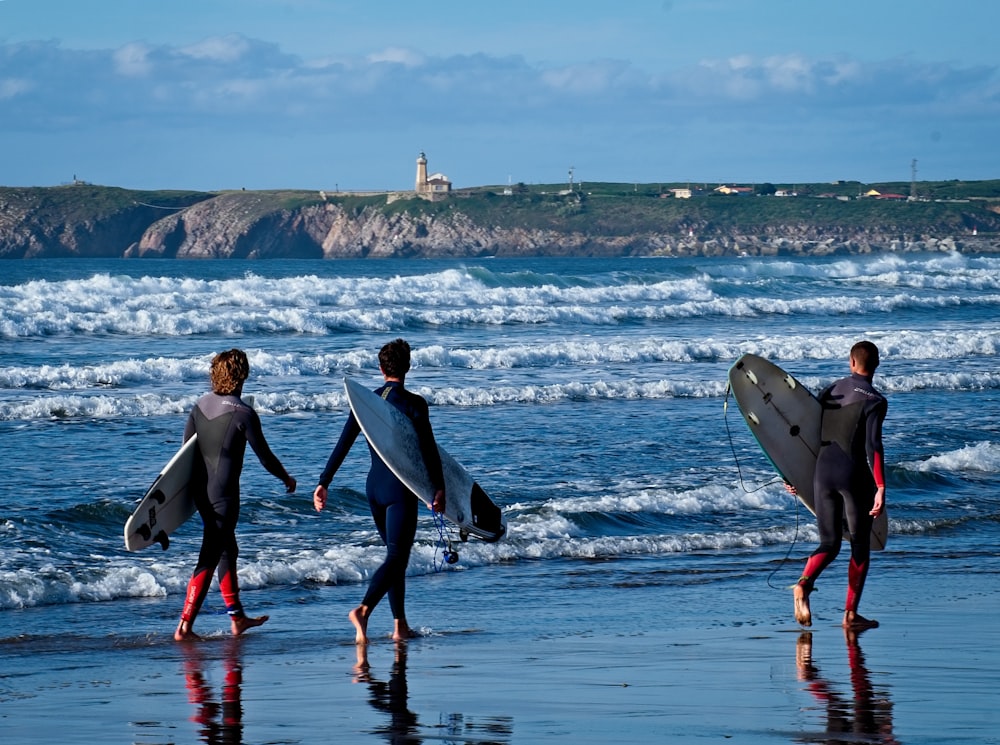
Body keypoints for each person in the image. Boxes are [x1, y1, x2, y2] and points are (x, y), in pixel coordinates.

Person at [313, 338, 446, 644]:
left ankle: (400, 625)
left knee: (394, 557)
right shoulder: (414, 404)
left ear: (380, 368)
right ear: (408, 367)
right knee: (398, 556)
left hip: (374, 487)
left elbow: (344, 441)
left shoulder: (367, 402)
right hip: (401, 488)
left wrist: (324, 482)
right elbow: (427, 449)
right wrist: (438, 487)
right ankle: (363, 610)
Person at [174, 349, 297, 641]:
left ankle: (237, 618)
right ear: (242, 375)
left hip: (202, 495)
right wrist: (286, 478)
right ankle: (184, 627)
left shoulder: (199, 406)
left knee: (228, 550)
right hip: (224, 498)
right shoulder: (244, 413)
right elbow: (265, 457)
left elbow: (184, 455)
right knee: (210, 556)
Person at [791, 340, 887, 631]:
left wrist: (790, 475)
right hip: (851, 475)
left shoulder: (831, 390)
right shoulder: (875, 401)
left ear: (851, 362)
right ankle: (850, 615)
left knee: (829, 543)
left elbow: (804, 431)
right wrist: (880, 486)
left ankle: (803, 584)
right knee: (859, 544)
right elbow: (873, 446)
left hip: (821, 473)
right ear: (877, 364)